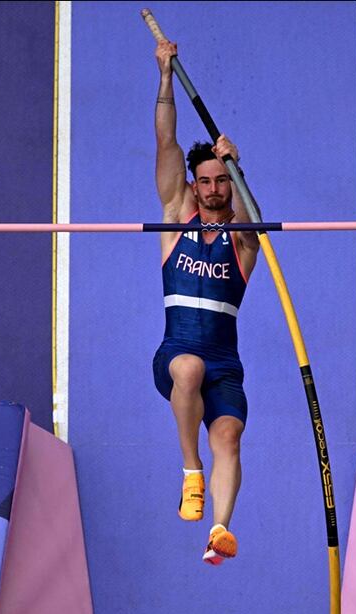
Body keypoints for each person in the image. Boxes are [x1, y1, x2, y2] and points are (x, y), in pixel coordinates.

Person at [150, 39, 261, 565]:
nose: (213, 189)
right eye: (207, 182)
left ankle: (218, 531)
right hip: (177, 355)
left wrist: (238, 168)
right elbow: (166, 141)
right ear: (193, 188)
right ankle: (190, 473)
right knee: (189, 368)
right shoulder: (176, 219)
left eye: (221, 182)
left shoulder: (243, 242)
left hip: (226, 366)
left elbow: (251, 218)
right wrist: (166, 75)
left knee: (231, 436)